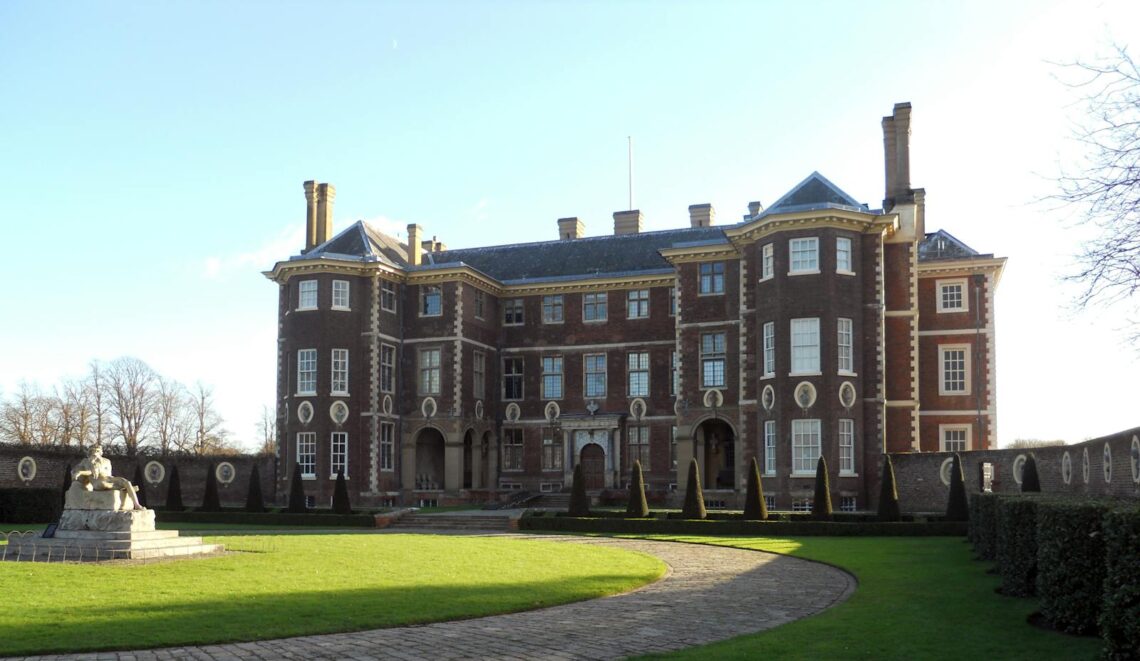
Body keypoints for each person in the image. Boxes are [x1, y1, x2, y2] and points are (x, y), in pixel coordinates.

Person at [72, 445, 143, 510]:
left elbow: (106, 472)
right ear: (90, 453)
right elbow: (76, 471)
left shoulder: (106, 461)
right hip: (97, 482)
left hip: (109, 478)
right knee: (104, 484)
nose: (95, 453)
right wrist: (80, 472)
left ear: (101, 453)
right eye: (93, 451)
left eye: (97, 451)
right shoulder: (85, 462)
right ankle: (123, 488)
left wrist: (97, 468)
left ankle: (137, 504)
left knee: (127, 482)